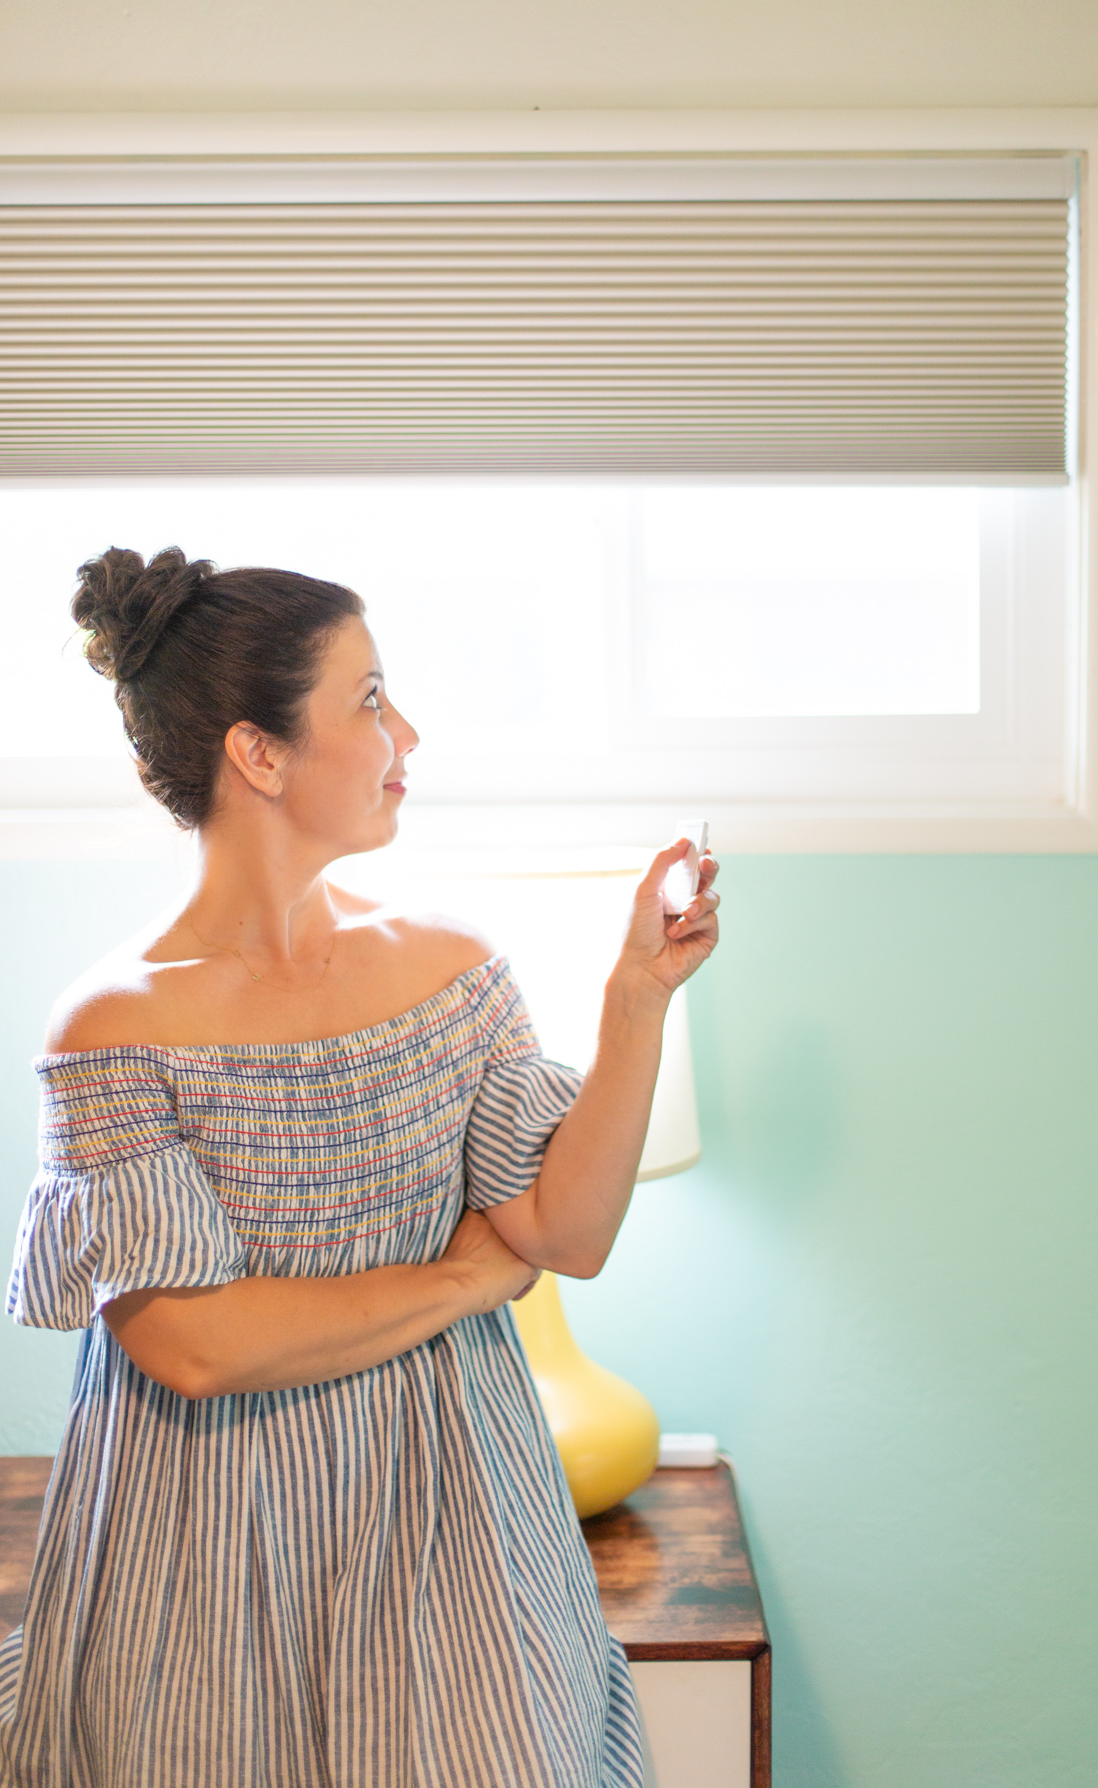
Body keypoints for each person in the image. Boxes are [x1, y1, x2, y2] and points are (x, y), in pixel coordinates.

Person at [0, 545, 720, 1788]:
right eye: (372, 700)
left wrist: (636, 1002)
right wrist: (456, 1283)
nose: (410, 734)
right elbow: (199, 1346)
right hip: (207, 1543)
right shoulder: (110, 1025)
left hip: (458, 1525)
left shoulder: (446, 964)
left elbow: (568, 1233)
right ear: (259, 754)